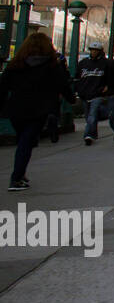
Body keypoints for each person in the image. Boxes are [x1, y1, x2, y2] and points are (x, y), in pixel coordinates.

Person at [0, 32, 76, 190]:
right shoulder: (51, 66)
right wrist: (72, 99)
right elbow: (63, 84)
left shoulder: (16, 64)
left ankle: (20, 173)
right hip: (39, 109)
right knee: (26, 143)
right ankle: (16, 178)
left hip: (17, 109)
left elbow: (3, 86)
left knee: (24, 140)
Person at [75, 42, 112, 145]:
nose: (93, 52)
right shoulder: (83, 63)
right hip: (85, 93)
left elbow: (111, 77)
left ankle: (88, 135)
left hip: (98, 93)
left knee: (92, 114)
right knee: (89, 116)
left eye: (96, 50)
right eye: (92, 50)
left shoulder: (106, 63)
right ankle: (93, 134)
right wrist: (78, 90)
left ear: (100, 51)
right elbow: (77, 77)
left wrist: (107, 87)